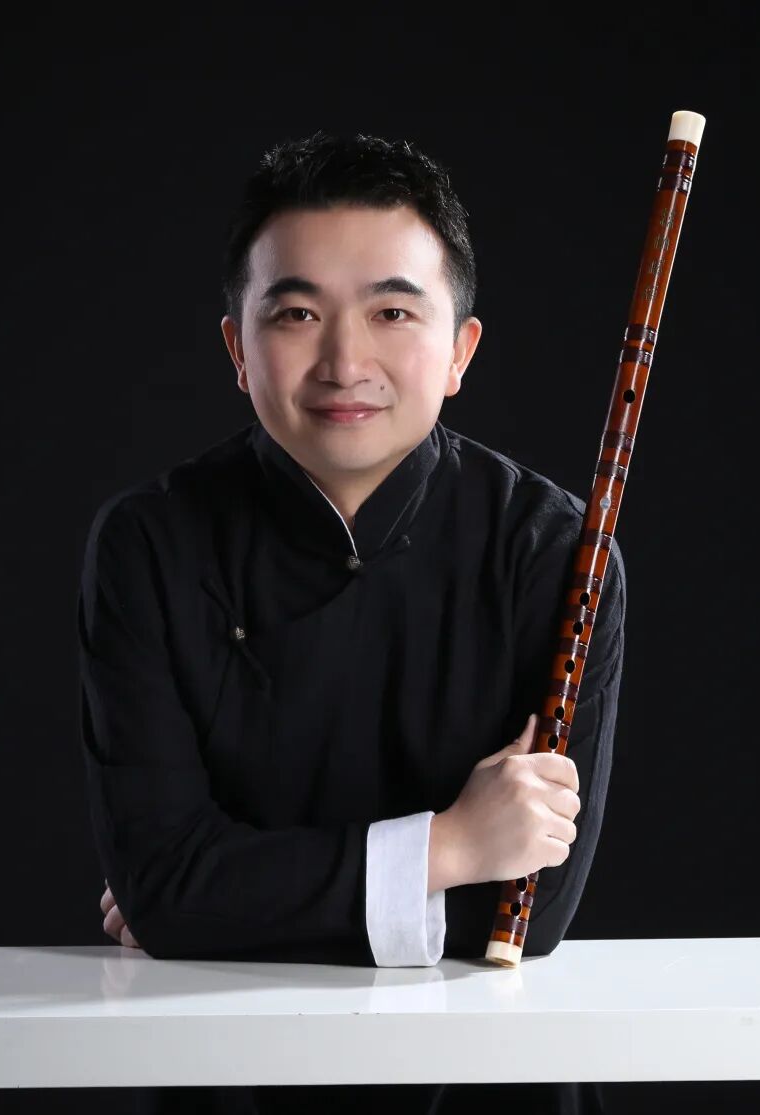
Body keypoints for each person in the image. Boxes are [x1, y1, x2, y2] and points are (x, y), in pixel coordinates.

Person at [77, 131, 625, 1115]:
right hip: (228, 1079)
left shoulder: (553, 553)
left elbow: (527, 919)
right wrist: (452, 850)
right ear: (237, 347)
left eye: (392, 311)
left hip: (498, 1088)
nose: (344, 359)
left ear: (459, 352)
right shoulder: (148, 543)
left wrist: (226, 901)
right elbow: (165, 884)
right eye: (297, 313)